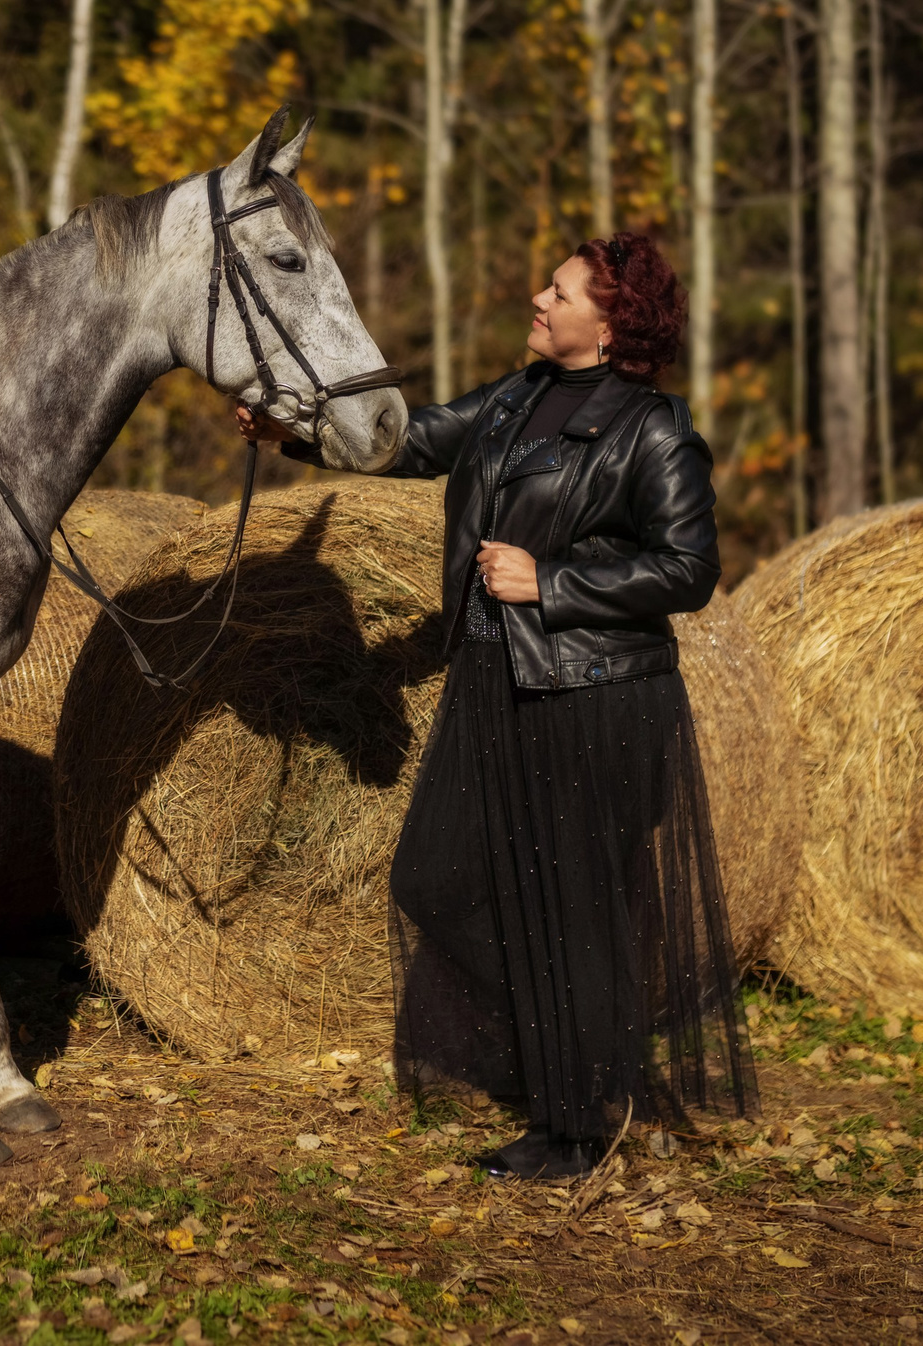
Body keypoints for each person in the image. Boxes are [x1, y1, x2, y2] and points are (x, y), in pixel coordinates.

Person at [236, 231, 752, 1180]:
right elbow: (419, 438)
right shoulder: (516, 397)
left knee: (576, 907)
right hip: (496, 680)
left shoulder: (654, 431)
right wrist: (296, 434)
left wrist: (549, 582)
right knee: (434, 877)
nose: (538, 298)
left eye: (558, 292)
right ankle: (559, 1064)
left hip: (594, 696)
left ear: (609, 323)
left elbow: (692, 569)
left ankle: (582, 1120)